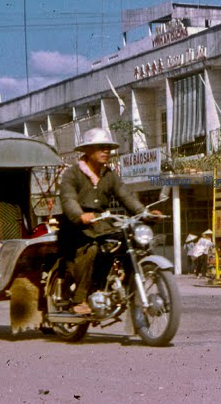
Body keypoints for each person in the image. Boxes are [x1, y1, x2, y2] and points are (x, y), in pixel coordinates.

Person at [59, 127, 159, 315]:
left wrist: (144, 213)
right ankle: (78, 300)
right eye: (101, 147)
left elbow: (126, 196)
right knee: (92, 250)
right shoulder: (72, 174)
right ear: (88, 150)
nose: (106, 151)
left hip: (102, 224)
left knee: (129, 242)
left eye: (108, 148)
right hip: (75, 228)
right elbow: (68, 199)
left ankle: (121, 287)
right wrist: (80, 215)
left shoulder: (109, 175)